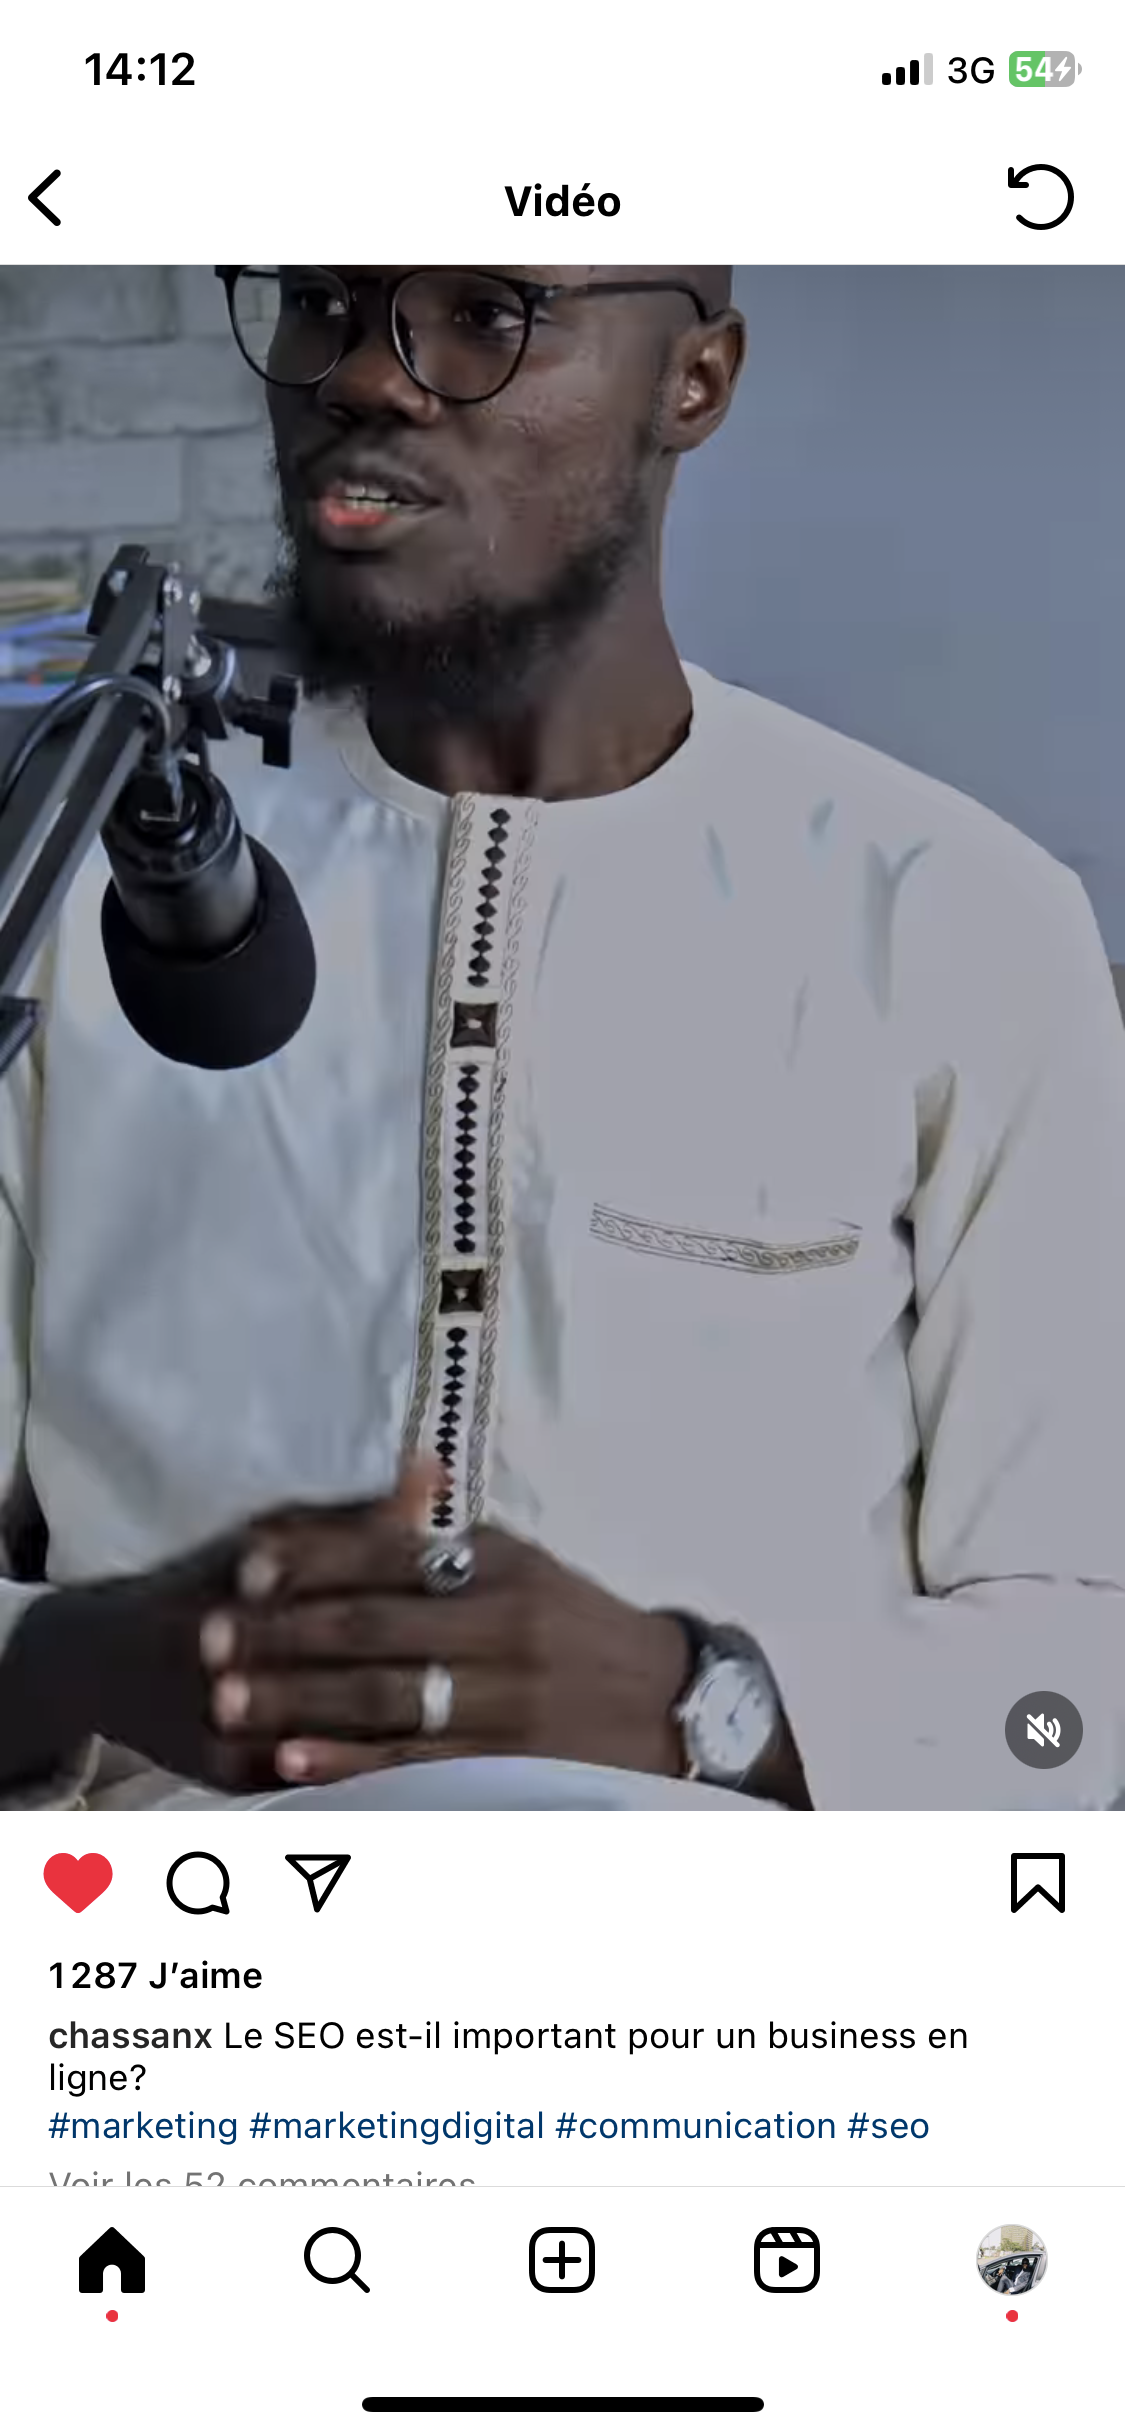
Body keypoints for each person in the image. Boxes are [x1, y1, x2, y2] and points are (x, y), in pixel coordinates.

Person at [1, 261, 1124, 1811]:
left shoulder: (960, 919)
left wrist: (699, 1702)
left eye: (487, 313)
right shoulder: (67, 885)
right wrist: (78, 1657)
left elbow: (1076, 1684)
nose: (366, 377)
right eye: (321, 303)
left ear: (695, 381)